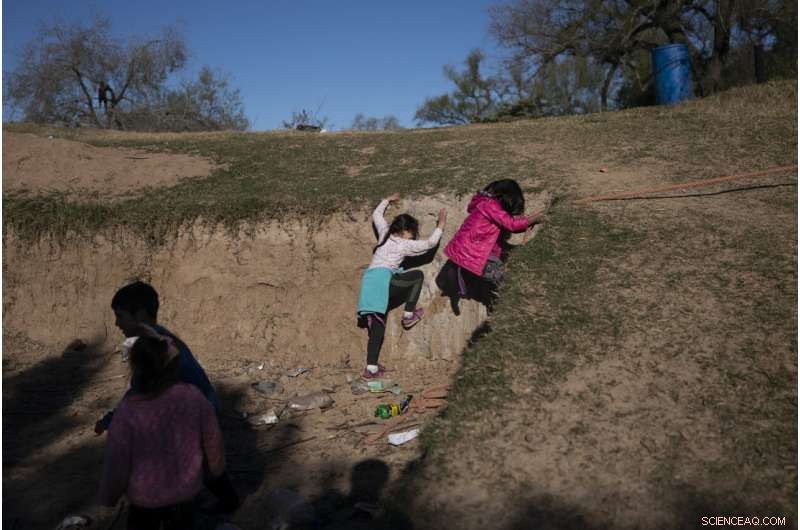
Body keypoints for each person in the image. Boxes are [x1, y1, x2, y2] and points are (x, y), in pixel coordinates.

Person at [96, 281, 239, 513]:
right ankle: (225, 498)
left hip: (191, 409)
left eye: (120, 316)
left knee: (191, 458)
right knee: (198, 460)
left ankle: (224, 500)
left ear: (140, 314)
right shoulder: (159, 340)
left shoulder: (155, 348)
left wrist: (114, 419)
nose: (116, 323)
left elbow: (141, 391)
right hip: (193, 407)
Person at [98, 334, 226, 529]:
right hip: (185, 495)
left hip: (144, 500)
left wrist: (110, 495)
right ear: (175, 367)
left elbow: (117, 460)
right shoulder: (193, 397)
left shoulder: (128, 411)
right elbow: (212, 439)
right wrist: (216, 470)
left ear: (135, 369)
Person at [356, 193, 446, 379]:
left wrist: (386, 200)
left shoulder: (384, 232)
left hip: (369, 283)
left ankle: (371, 369)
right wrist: (440, 225)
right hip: (383, 280)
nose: (413, 238)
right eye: (412, 234)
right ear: (406, 231)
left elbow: (377, 216)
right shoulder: (404, 244)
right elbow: (430, 244)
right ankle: (408, 315)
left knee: (377, 327)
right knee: (417, 276)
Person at [443, 180, 545, 307]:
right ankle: (516, 302)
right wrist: (534, 218)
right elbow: (511, 224)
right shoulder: (491, 206)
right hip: (474, 255)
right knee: (507, 278)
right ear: (506, 197)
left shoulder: (483, 203)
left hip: (462, 253)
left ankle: (460, 288)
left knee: (490, 274)